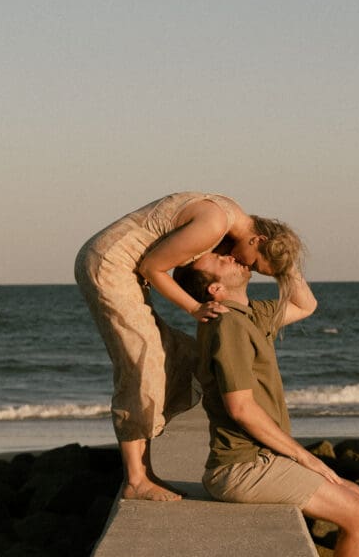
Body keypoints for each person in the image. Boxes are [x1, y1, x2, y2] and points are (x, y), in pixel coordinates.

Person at [74, 192, 305, 501]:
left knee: (179, 358)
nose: (244, 266)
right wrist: (195, 308)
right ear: (257, 240)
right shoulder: (215, 224)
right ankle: (136, 479)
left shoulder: (232, 218)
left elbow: (303, 301)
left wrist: (284, 259)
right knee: (142, 362)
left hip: (119, 265)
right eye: (255, 264)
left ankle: (144, 470)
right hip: (110, 265)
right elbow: (153, 268)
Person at [174, 252, 359, 557]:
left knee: (357, 497)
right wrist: (305, 457)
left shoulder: (251, 314)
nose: (229, 256)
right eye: (219, 260)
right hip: (241, 467)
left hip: (262, 458)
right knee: (358, 515)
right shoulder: (227, 325)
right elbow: (241, 409)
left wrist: (283, 263)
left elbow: (305, 305)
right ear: (214, 290)